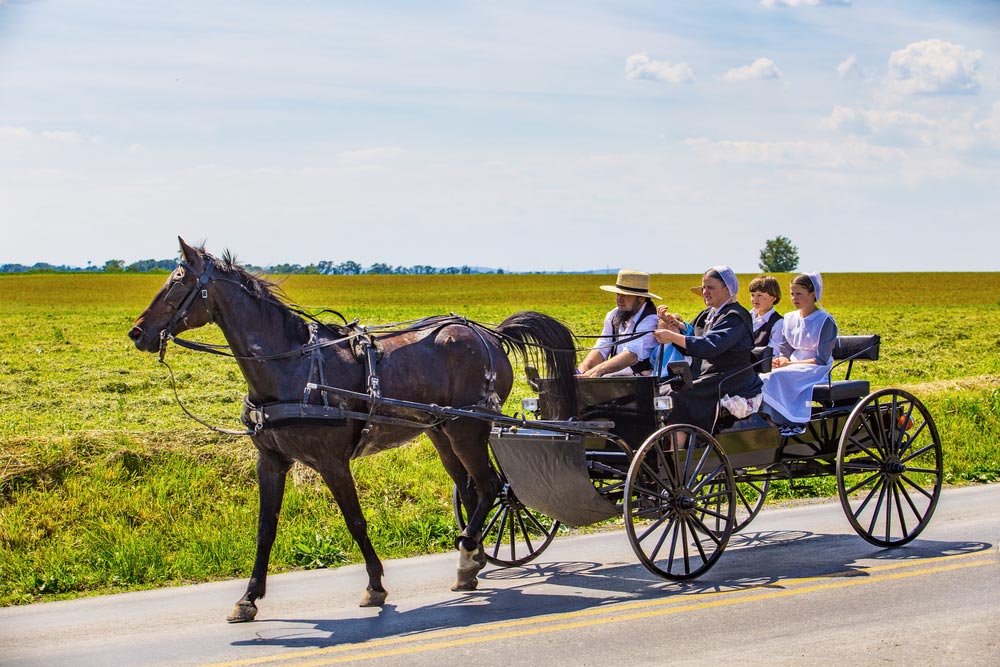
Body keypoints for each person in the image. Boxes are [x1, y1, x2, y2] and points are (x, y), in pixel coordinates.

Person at [653, 265, 762, 432]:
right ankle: (664, 440)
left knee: (676, 396)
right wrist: (673, 326)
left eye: (710, 287)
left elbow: (710, 346)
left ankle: (677, 450)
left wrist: (673, 336)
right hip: (708, 375)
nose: (705, 291)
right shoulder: (707, 314)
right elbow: (694, 340)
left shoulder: (735, 316)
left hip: (731, 378)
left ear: (727, 289)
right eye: (704, 287)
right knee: (661, 389)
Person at [760, 272, 839, 437]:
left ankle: (791, 421)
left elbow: (821, 358)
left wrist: (789, 365)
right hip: (793, 365)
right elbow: (785, 348)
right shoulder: (789, 318)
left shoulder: (825, 321)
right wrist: (781, 360)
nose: (794, 298)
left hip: (816, 368)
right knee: (764, 376)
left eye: (799, 294)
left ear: (813, 294)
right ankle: (771, 419)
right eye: (792, 294)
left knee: (777, 377)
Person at [577, 269, 661, 378]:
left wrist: (597, 371)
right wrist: (582, 370)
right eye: (618, 294)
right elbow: (602, 347)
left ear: (640, 299)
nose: (620, 299)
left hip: (641, 380)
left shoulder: (651, 319)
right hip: (613, 377)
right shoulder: (613, 315)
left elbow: (632, 355)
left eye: (626, 295)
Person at [748, 275, 784, 356]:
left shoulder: (778, 323)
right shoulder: (747, 317)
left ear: (773, 298)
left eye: (760, 295)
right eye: (752, 295)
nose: (755, 299)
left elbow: (773, 353)